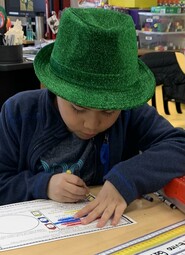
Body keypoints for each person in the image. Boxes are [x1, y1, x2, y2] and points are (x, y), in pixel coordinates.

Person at [0, 8, 185, 228]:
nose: (91, 124)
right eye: (78, 108)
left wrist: (125, 179)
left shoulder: (129, 110)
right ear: (56, 87)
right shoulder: (19, 112)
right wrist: (43, 185)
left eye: (108, 111)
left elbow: (179, 145)